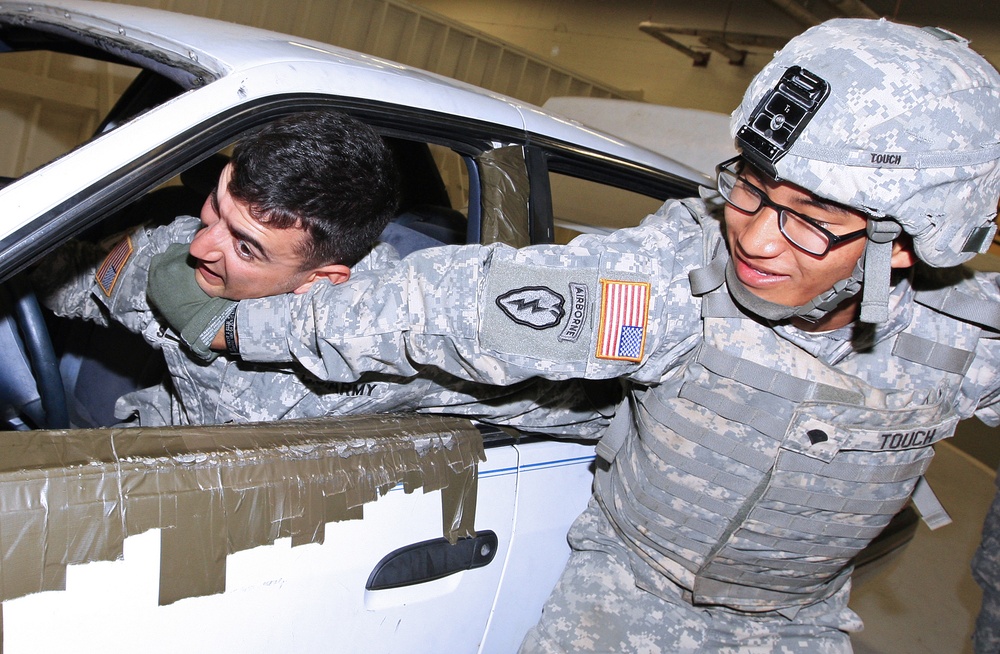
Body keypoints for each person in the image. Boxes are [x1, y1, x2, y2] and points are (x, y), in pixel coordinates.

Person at [149, 19, 1000, 652]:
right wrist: (238, 326)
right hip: (624, 599)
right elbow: (439, 310)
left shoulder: (968, 339)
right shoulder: (670, 285)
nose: (757, 236)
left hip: (800, 622)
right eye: (751, 188)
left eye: (810, 221)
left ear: (917, 236)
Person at [34, 110, 611, 433]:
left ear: (323, 278)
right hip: (148, 463)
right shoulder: (174, 254)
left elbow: (587, 400)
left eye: (246, 247)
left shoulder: (399, 350)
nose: (202, 245)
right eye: (216, 204)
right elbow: (75, 280)